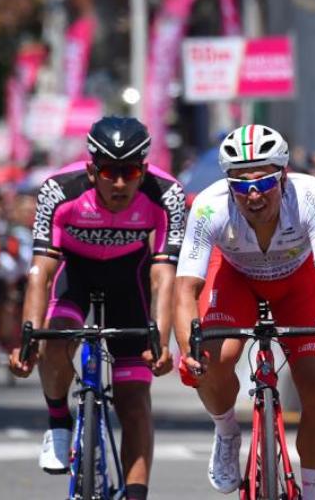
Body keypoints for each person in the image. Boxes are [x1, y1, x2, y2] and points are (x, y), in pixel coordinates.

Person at [9, 116, 185, 500]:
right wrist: (28, 339)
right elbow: (40, 272)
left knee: (134, 398)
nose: (120, 182)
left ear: (144, 168)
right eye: (109, 171)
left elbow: (163, 278)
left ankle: (137, 494)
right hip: (76, 274)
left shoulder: (166, 193)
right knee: (54, 341)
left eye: (131, 171)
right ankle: (58, 420)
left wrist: (161, 340)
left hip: (130, 280)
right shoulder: (59, 190)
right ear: (92, 169)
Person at [174, 124, 315, 500]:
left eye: (263, 182)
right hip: (235, 276)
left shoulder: (310, 195)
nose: (252, 194)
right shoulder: (209, 206)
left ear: (283, 176)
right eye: (240, 184)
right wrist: (189, 353)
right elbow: (185, 289)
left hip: (297, 281)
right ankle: (225, 431)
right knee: (212, 360)